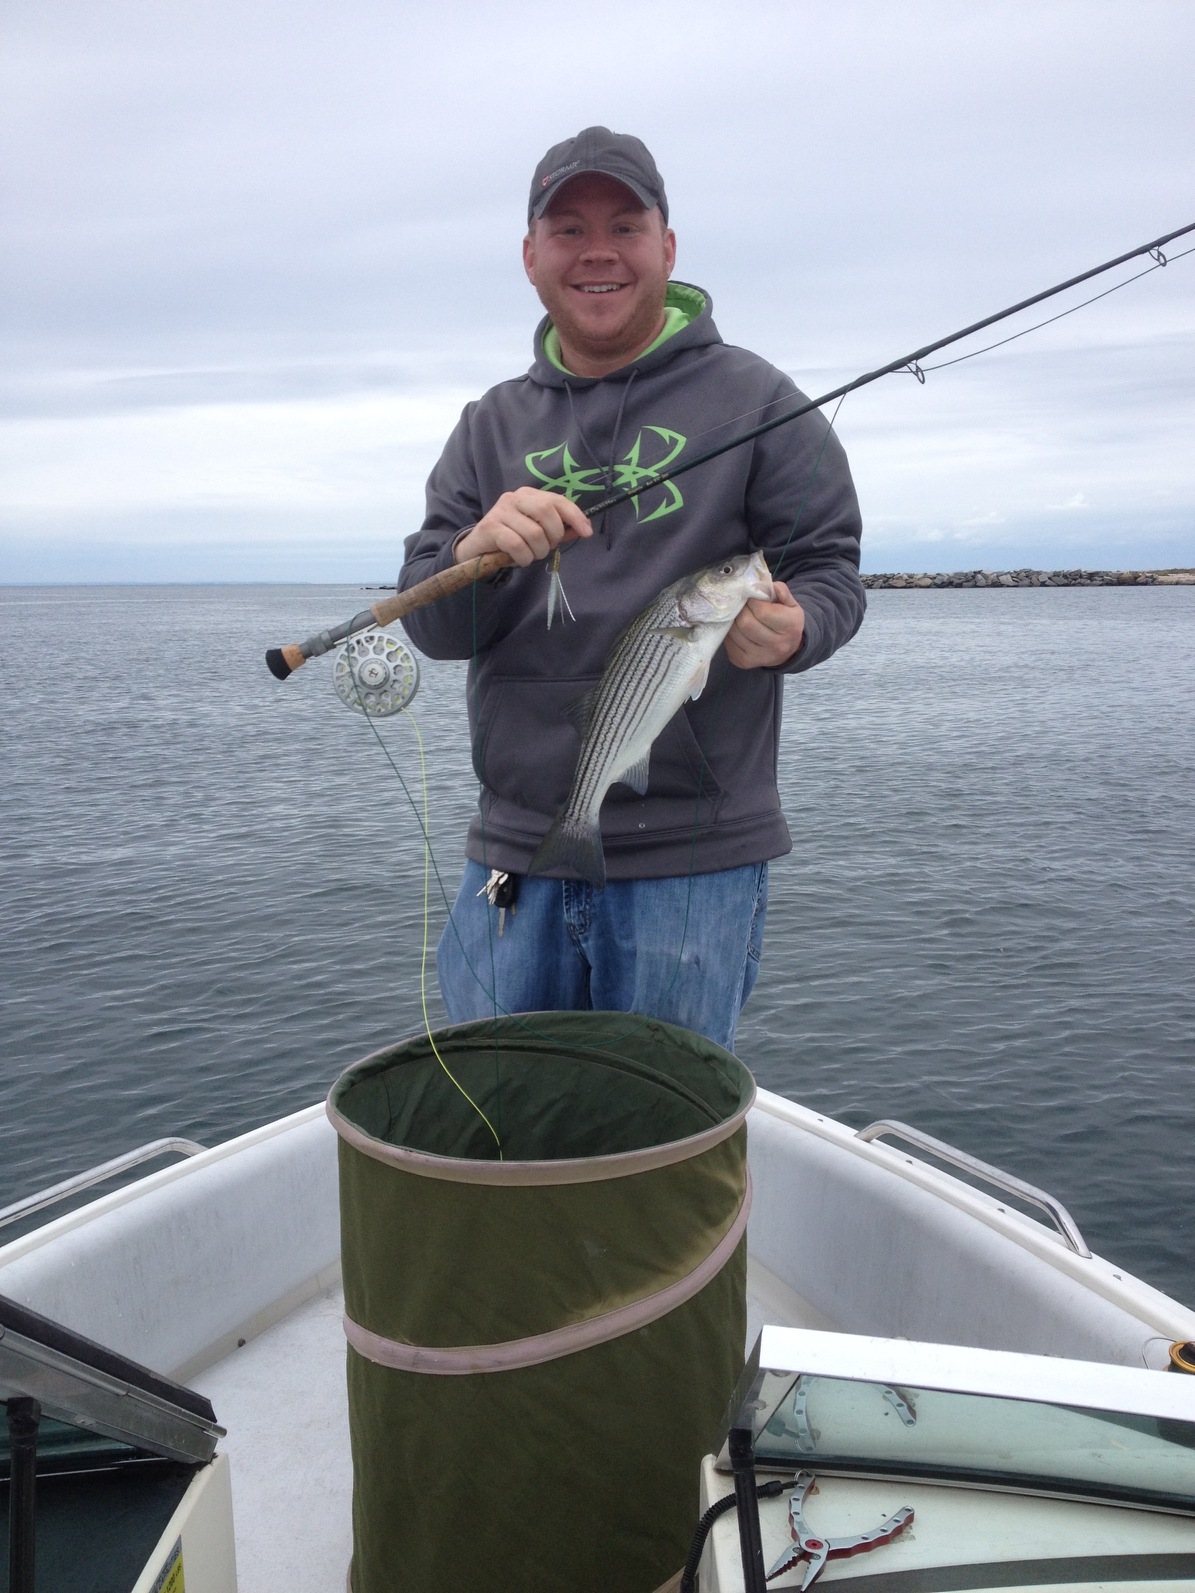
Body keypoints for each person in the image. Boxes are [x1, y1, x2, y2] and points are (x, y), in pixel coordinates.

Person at [399, 126, 864, 1049]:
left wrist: (800, 625)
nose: (597, 250)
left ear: (668, 246)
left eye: (625, 224)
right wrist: (471, 554)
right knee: (499, 1124)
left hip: (695, 863)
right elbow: (431, 621)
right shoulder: (486, 426)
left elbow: (829, 566)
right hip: (514, 855)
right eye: (567, 229)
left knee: (666, 1139)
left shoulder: (760, 399)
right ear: (531, 256)